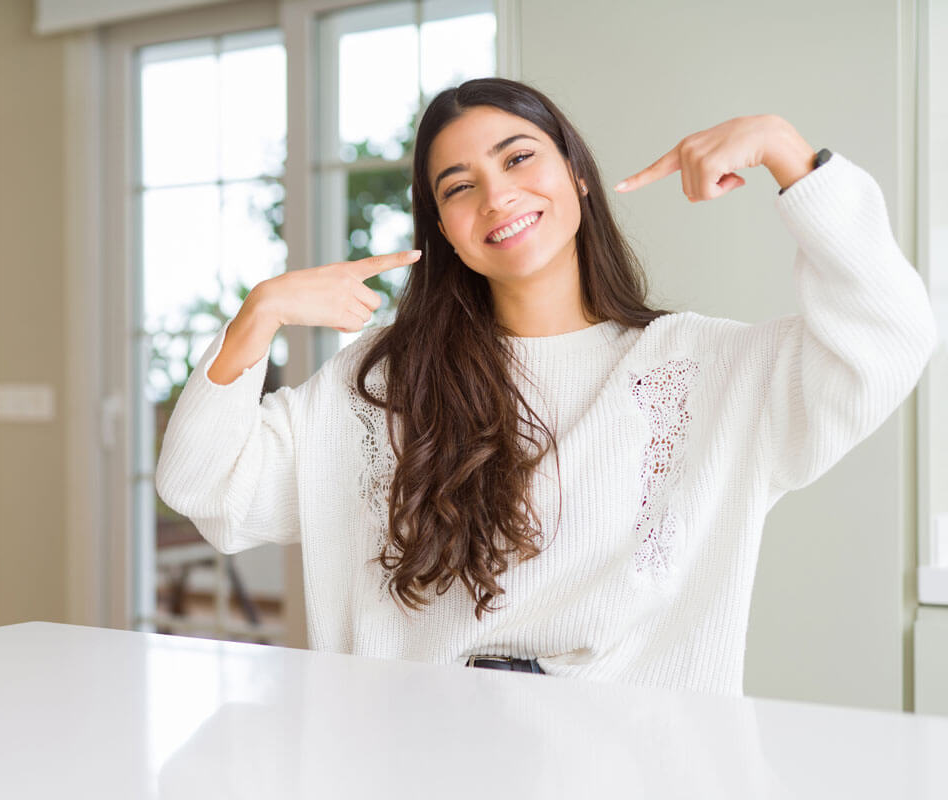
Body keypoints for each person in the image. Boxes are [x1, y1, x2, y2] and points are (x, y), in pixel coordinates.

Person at [155, 77, 938, 695]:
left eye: (519, 157)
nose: (496, 196)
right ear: (443, 232)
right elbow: (207, 489)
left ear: (578, 174)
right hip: (406, 763)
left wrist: (787, 155)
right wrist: (255, 321)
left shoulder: (709, 370)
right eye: (457, 187)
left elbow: (889, 335)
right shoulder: (386, 385)